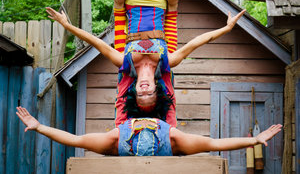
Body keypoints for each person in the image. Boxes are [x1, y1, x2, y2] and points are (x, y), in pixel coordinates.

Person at [46, 0, 246, 127]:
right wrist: (225, 29)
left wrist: (67, 25)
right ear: (156, 90)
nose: (144, 90)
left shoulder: (125, 64)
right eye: (149, 94)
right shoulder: (167, 63)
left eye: (140, 95)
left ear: (135, 91)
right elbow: (197, 43)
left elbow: (96, 42)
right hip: (160, 9)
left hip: (131, 9)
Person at [16, 106, 282, 157]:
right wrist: (39, 127)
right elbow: (74, 140)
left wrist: (254, 140)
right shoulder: (114, 138)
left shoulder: (175, 139)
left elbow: (215, 144)